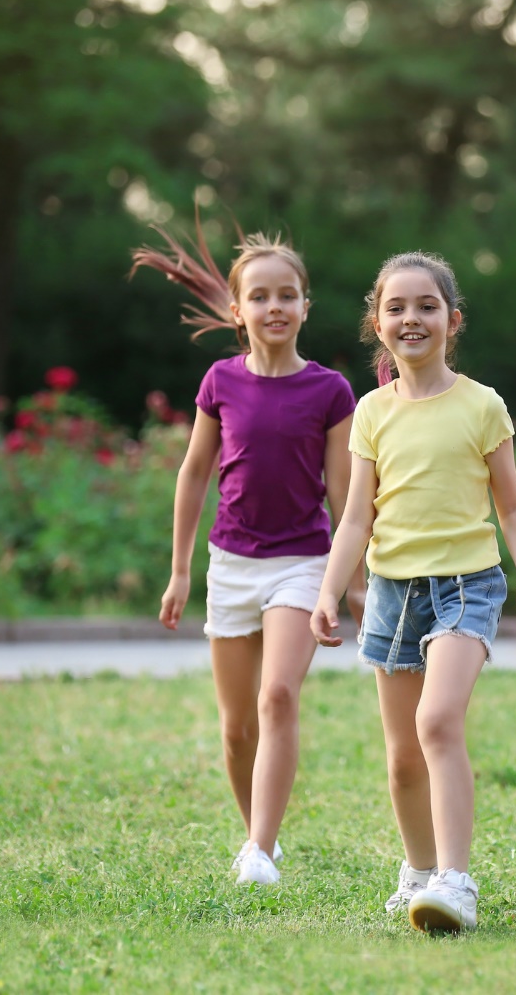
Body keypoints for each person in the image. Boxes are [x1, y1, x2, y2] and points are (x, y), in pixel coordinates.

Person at [310, 252, 516, 934]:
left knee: (437, 723)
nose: (411, 318)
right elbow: (357, 515)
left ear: (452, 320)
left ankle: (455, 879)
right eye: (396, 307)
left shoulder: (481, 406)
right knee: (400, 756)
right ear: (376, 323)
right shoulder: (370, 413)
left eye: (426, 306)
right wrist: (331, 590)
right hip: (391, 592)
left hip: (466, 586)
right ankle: (418, 871)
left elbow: (510, 508)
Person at [133, 224, 363, 886]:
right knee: (236, 729)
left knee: (278, 697)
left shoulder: (330, 391)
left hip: (301, 562)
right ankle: (257, 836)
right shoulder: (219, 381)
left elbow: (344, 493)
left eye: (287, 295)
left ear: (305, 307)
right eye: (260, 297)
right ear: (239, 311)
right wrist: (179, 571)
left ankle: (259, 852)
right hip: (230, 565)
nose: (275, 307)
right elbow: (193, 474)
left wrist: (349, 583)